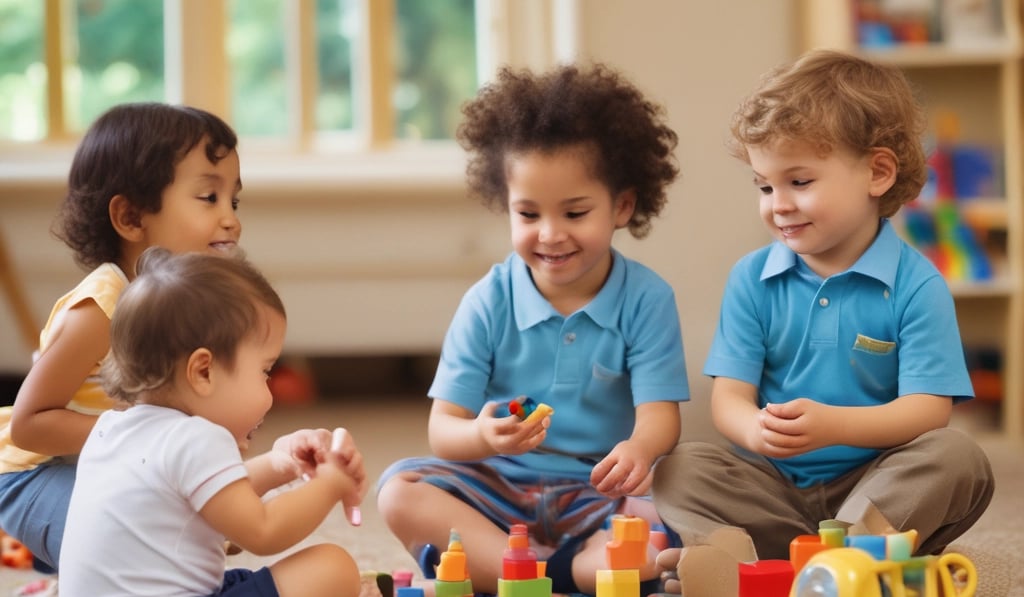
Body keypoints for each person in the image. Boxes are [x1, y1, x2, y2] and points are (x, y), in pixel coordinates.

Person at [651, 49, 996, 582]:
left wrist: (837, 426)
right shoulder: (751, 278)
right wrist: (756, 430)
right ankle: (758, 561)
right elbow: (730, 399)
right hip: (774, 487)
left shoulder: (917, 283)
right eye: (764, 186)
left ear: (877, 173)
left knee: (957, 458)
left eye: (800, 182)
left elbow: (928, 411)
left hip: (875, 484)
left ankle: (842, 559)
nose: (777, 204)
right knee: (681, 466)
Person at [376, 62, 690, 596]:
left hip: (597, 492)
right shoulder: (487, 301)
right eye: (527, 214)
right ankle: (539, 573)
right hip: (497, 490)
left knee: (672, 516)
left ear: (622, 206)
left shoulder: (648, 298)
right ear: (506, 207)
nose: (550, 234)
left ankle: (539, 573)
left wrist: (638, 450)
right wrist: (481, 434)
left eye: (574, 212)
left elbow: (660, 418)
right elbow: (442, 430)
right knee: (399, 490)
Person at [0, 102, 322, 575]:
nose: (231, 220)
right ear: (131, 217)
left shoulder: (191, 311)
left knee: (188, 520)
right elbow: (30, 423)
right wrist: (149, 441)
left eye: (233, 201)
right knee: (140, 539)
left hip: (113, 464)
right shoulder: (102, 308)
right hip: (33, 474)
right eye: (208, 198)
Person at [57, 247, 365, 596]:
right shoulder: (196, 438)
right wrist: (330, 484)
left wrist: (282, 464)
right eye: (265, 370)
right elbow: (263, 530)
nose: (269, 388)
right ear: (203, 371)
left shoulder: (111, 428)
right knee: (331, 568)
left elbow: (207, 496)